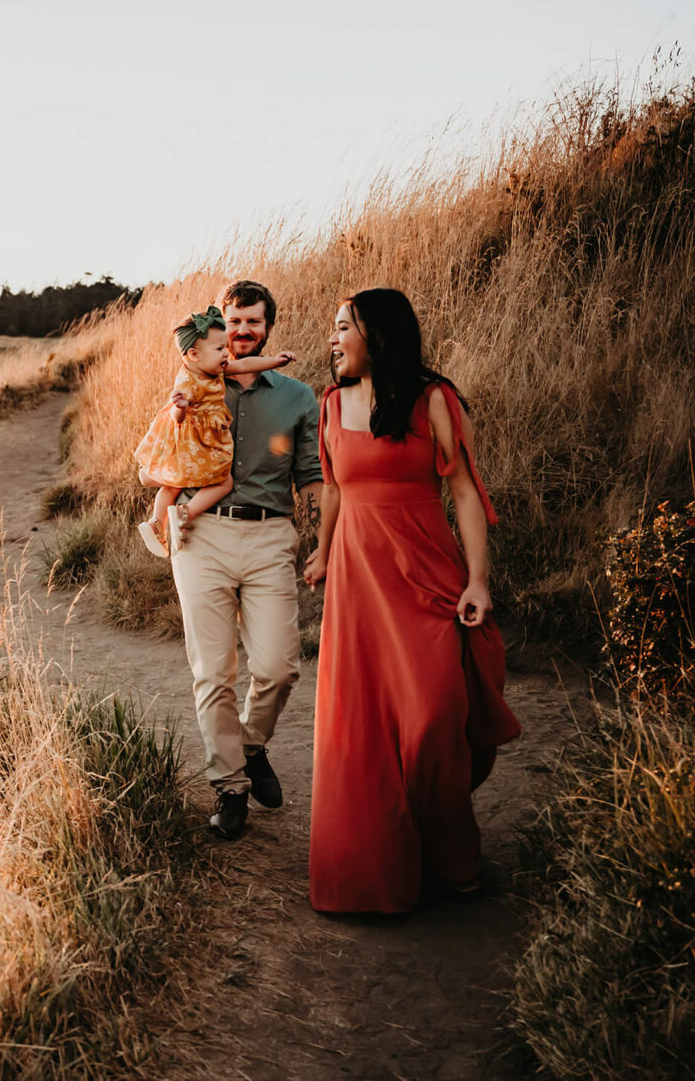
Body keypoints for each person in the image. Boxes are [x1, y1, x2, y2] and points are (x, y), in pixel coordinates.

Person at [303, 288, 522, 912]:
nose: (332, 339)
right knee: (363, 729)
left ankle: (451, 845)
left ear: (378, 334)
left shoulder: (434, 401)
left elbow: (465, 492)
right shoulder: (331, 404)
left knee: (431, 721)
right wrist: (322, 550)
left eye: (343, 326)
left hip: (426, 578)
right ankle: (375, 869)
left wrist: (478, 579)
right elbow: (335, 492)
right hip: (356, 582)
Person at [168, 280, 322, 840]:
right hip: (201, 535)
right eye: (233, 322)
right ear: (221, 327)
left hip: (269, 537)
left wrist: (325, 541)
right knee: (213, 672)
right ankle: (230, 788)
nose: (242, 331)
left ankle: (250, 747)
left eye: (253, 322)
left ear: (267, 327)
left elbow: (311, 477)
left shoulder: (297, 398)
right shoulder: (196, 383)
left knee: (279, 668)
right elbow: (166, 448)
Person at [134, 305, 297, 557]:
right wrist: (181, 407)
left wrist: (275, 361)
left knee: (172, 484)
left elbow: (246, 366)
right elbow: (178, 417)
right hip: (195, 440)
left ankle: (156, 523)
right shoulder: (187, 381)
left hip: (194, 440)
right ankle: (184, 513)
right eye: (220, 348)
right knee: (224, 481)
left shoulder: (214, 369)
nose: (226, 353)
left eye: (225, 347)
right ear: (193, 355)